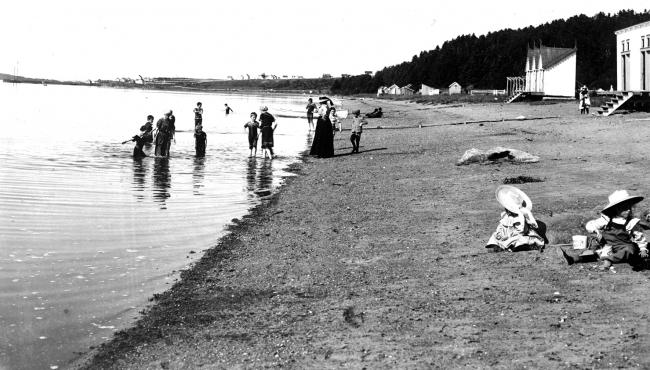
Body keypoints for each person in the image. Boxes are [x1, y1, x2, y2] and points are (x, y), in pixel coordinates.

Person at [557, 190, 649, 271]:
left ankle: (609, 260)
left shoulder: (631, 222)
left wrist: (643, 249)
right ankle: (572, 259)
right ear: (616, 209)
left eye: (629, 208)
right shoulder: (606, 220)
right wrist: (596, 231)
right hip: (608, 246)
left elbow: (639, 237)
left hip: (623, 246)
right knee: (595, 254)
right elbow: (590, 225)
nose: (628, 211)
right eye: (624, 208)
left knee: (630, 249)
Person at [485, 185, 545, 252]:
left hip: (517, 234)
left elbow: (521, 230)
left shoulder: (519, 217)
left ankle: (516, 246)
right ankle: (501, 245)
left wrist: (509, 235)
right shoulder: (506, 216)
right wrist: (500, 234)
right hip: (506, 234)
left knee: (519, 240)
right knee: (495, 237)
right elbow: (502, 226)